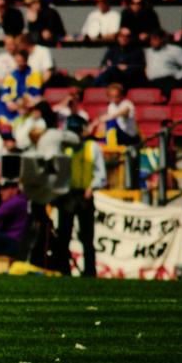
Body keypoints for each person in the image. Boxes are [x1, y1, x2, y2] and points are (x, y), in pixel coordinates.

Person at [52, 115, 107, 276]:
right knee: (64, 235)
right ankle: (63, 270)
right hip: (67, 195)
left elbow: (101, 173)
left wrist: (92, 187)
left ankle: (90, 272)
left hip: (84, 195)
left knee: (87, 237)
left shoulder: (92, 147)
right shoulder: (63, 149)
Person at [144, 30, 182, 97]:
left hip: (168, 83)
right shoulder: (148, 52)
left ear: (162, 39)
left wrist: (178, 76)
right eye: (151, 39)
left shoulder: (174, 50)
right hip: (152, 83)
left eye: (155, 39)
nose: (152, 42)